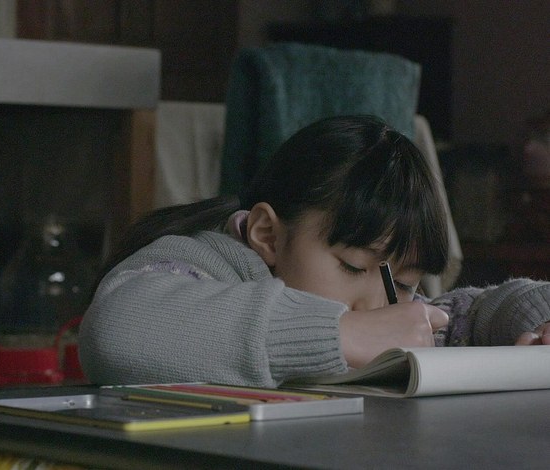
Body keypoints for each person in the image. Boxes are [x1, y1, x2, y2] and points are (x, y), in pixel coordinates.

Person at [78, 115, 550, 387]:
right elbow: (117, 329)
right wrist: (341, 332)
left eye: (403, 283)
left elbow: (468, 314)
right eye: (353, 266)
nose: (377, 306)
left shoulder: (390, 304)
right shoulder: (204, 263)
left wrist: (537, 321)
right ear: (267, 234)